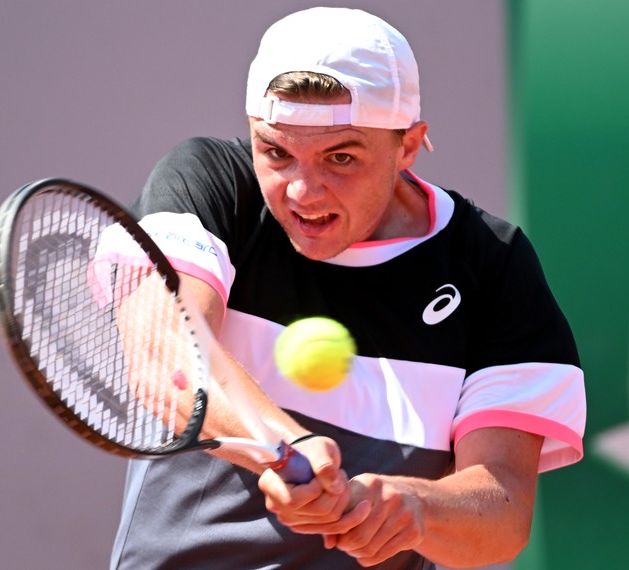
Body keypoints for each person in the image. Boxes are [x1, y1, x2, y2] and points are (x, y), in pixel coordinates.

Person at [110, 7, 586, 569]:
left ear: (408, 146)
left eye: (341, 157)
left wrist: (411, 506)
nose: (303, 191)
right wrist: (288, 451)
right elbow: (167, 357)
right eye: (277, 152)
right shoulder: (208, 181)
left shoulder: (493, 263)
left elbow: (504, 510)